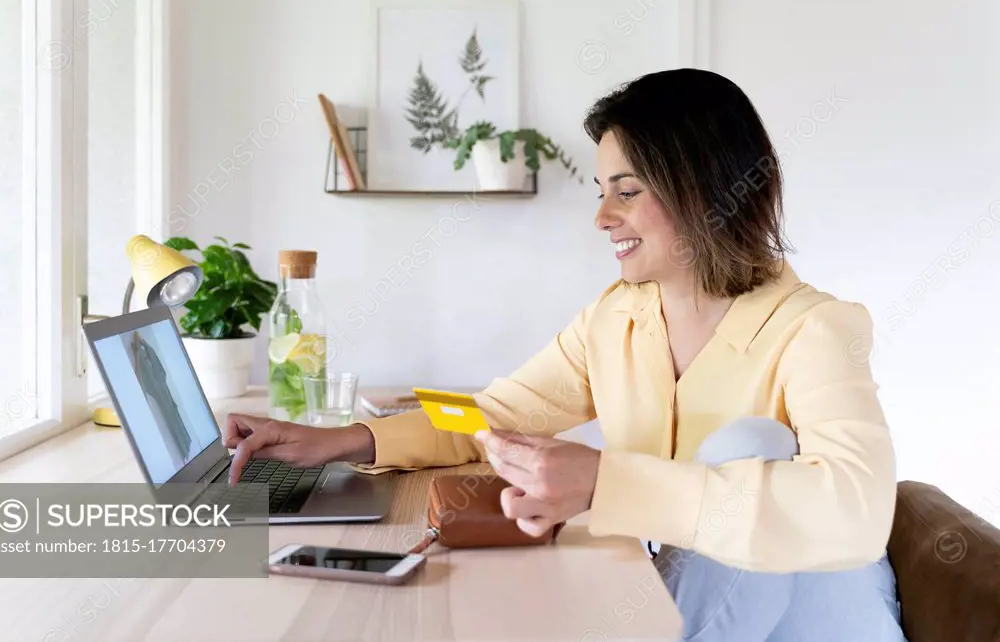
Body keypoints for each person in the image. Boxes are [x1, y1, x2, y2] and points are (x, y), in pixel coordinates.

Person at [225, 68, 907, 642]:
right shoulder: (618, 317)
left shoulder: (815, 328)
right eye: (601, 190)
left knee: (751, 442)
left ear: (706, 187)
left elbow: (856, 509)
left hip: (811, 625)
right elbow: (490, 413)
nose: (602, 216)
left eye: (627, 190)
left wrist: (606, 483)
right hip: (698, 616)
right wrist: (339, 441)